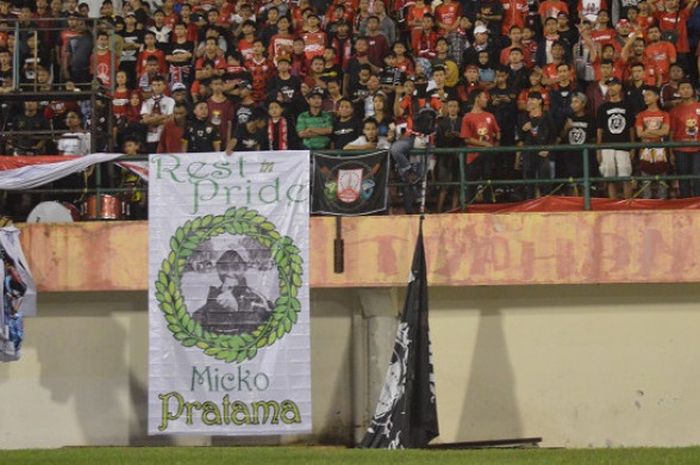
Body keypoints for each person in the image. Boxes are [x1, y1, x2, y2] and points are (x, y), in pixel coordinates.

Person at [192, 249, 273, 335]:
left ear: (245, 268)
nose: (230, 274)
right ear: (217, 268)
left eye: (236, 267)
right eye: (224, 267)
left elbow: (263, 330)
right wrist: (213, 307)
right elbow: (196, 326)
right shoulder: (214, 295)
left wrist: (237, 311)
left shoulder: (257, 298)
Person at [596, 77, 635, 199]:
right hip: (607, 145)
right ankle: (613, 203)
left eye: (613, 85)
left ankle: (628, 203)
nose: (611, 88)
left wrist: (632, 146)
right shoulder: (602, 107)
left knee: (625, 176)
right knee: (610, 177)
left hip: (624, 145)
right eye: (609, 85)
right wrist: (598, 149)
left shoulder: (628, 105)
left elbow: (631, 127)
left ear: (620, 87)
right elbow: (599, 129)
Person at [461, 89, 501, 204]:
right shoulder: (467, 117)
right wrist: (485, 144)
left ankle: (488, 208)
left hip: (488, 156)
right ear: (477, 98)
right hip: (473, 157)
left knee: (487, 183)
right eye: (484, 97)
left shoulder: (490, 116)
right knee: (471, 186)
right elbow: (467, 138)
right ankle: (469, 209)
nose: (486, 100)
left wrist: (496, 142)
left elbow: (497, 131)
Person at [517, 92, 557, 199]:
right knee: (529, 182)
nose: (529, 102)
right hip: (529, 153)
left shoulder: (547, 116)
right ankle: (530, 204)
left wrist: (548, 150)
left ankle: (545, 205)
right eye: (528, 99)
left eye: (533, 99)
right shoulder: (523, 117)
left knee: (545, 183)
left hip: (544, 153)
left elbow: (553, 136)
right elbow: (520, 139)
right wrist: (523, 129)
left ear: (540, 101)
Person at [635, 86, 671, 198]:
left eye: (648, 95)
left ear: (656, 97)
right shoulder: (641, 115)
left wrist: (648, 131)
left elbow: (665, 131)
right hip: (645, 150)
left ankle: (662, 203)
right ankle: (647, 204)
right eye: (644, 96)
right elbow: (639, 133)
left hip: (661, 151)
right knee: (646, 180)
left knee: (662, 181)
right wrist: (657, 132)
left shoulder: (665, 114)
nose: (645, 97)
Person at [558, 93, 596, 194]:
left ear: (583, 104)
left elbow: (594, 138)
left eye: (576, 102)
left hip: (585, 157)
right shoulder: (567, 118)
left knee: (585, 185)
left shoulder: (590, 119)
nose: (573, 105)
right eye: (572, 102)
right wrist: (566, 128)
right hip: (570, 157)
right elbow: (560, 137)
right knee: (571, 185)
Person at [670, 79, 700, 197]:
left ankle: (697, 202)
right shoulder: (674, 111)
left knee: (698, 176)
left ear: (693, 90)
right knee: (683, 177)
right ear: (678, 92)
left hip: (698, 149)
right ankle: (685, 201)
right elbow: (672, 132)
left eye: (688, 88)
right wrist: (671, 152)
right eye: (682, 88)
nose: (686, 90)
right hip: (680, 149)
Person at [140, 75, 175, 153]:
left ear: (164, 86)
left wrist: (152, 119)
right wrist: (163, 116)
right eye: (154, 85)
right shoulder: (146, 102)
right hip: (151, 137)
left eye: (159, 85)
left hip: (165, 136)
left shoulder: (170, 101)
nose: (156, 87)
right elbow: (146, 120)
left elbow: (170, 120)